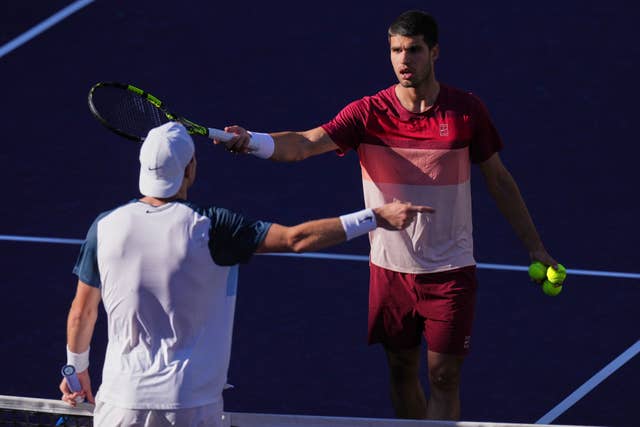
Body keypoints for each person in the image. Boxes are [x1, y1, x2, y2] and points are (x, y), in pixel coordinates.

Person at [216, 9, 558, 421]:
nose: (403, 60)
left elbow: (500, 182)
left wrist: (536, 249)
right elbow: (305, 144)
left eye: (413, 50)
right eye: (396, 50)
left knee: (445, 377)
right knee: (400, 370)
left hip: (450, 269)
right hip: (389, 270)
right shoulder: (367, 113)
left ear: (434, 52)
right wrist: (252, 141)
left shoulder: (466, 112)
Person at [59, 121, 433, 427]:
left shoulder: (104, 227)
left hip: (120, 403)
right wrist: (375, 217)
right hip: (189, 405)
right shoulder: (213, 226)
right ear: (191, 169)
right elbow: (295, 239)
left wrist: (76, 373)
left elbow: (82, 312)